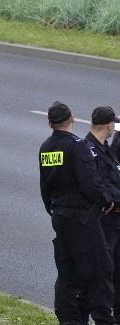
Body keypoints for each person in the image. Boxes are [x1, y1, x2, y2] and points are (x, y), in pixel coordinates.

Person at [40, 101, 117, 325]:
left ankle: (69, 320)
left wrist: (52, 209)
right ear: (72, 119)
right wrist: (107, 201)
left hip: (60, 216)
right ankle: (104, 319)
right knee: (101, 272)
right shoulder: (77, 146)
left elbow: (45, 185)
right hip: (83, 220)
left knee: (67, 275)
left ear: (49, 123)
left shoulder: (45, 147)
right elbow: (90, 184)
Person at [84, 106, 120, 322]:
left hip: (115, 220)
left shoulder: (107, 149)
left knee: (117, 275)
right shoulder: (89, 151)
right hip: (104, 222)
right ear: (109, 125)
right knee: (104, 275)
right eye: (114, 123)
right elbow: (101, 188)